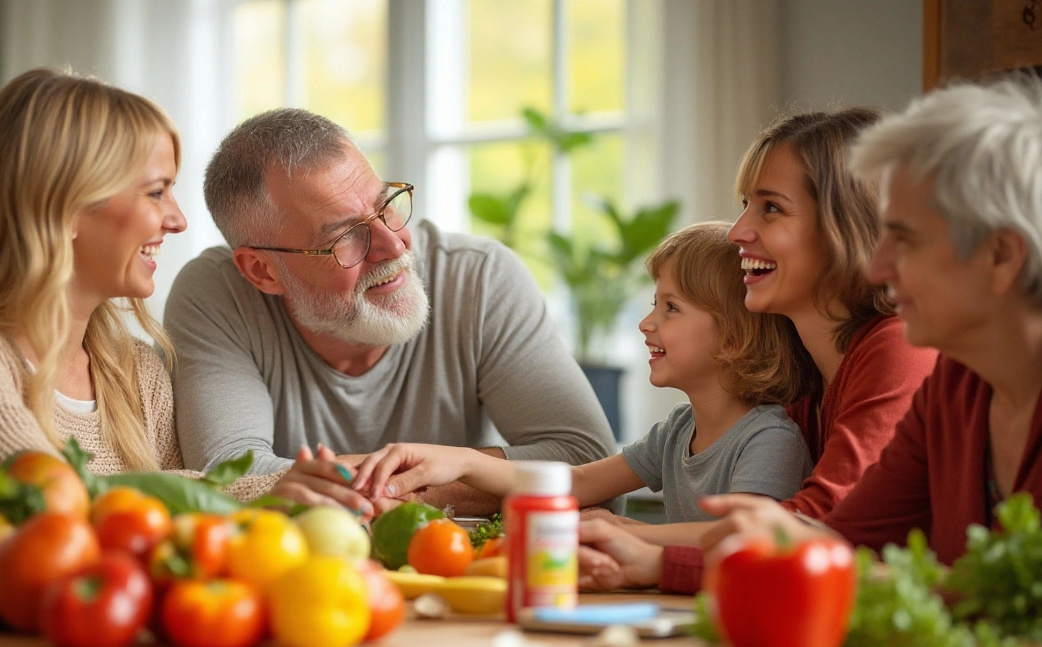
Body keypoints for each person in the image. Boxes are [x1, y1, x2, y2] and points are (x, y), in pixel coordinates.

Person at [0, 68, 346, 516]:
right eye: (155, 192)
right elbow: (51, 504)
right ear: (64, 207)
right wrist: (271, 489)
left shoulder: (136, 372)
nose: (177, 219)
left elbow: (184, 536)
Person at [164, 108, 617, 516]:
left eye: (387, 205)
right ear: (262, 271)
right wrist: (471, 475)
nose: (394, 243)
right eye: (345, 236)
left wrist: (420, 483)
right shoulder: (214, 295)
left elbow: (592, 470)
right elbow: (230, 480)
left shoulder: (480, 277)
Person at [572, 107, 940, 593]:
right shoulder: (806, 377)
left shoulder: (897, 352)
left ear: (843, 228)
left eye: (771, 208)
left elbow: (810, 529)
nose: (737, 230)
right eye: (746, 204)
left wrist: (648, 543)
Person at [694, 74, 1042, 565]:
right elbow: (841, 541)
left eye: (907, 238)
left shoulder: (909, 356)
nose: (878, 266)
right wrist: (654, 558)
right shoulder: (953, 387)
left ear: (1001, 257)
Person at [354, 222, 814, 519]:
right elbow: (575, 481)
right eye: (655, 304)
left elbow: (747, 541)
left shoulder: (769, 440)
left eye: (671, 308)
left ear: (734, 335)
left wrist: (631, 534)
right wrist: (459, 461)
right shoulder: (677, 432)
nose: (646, 323)